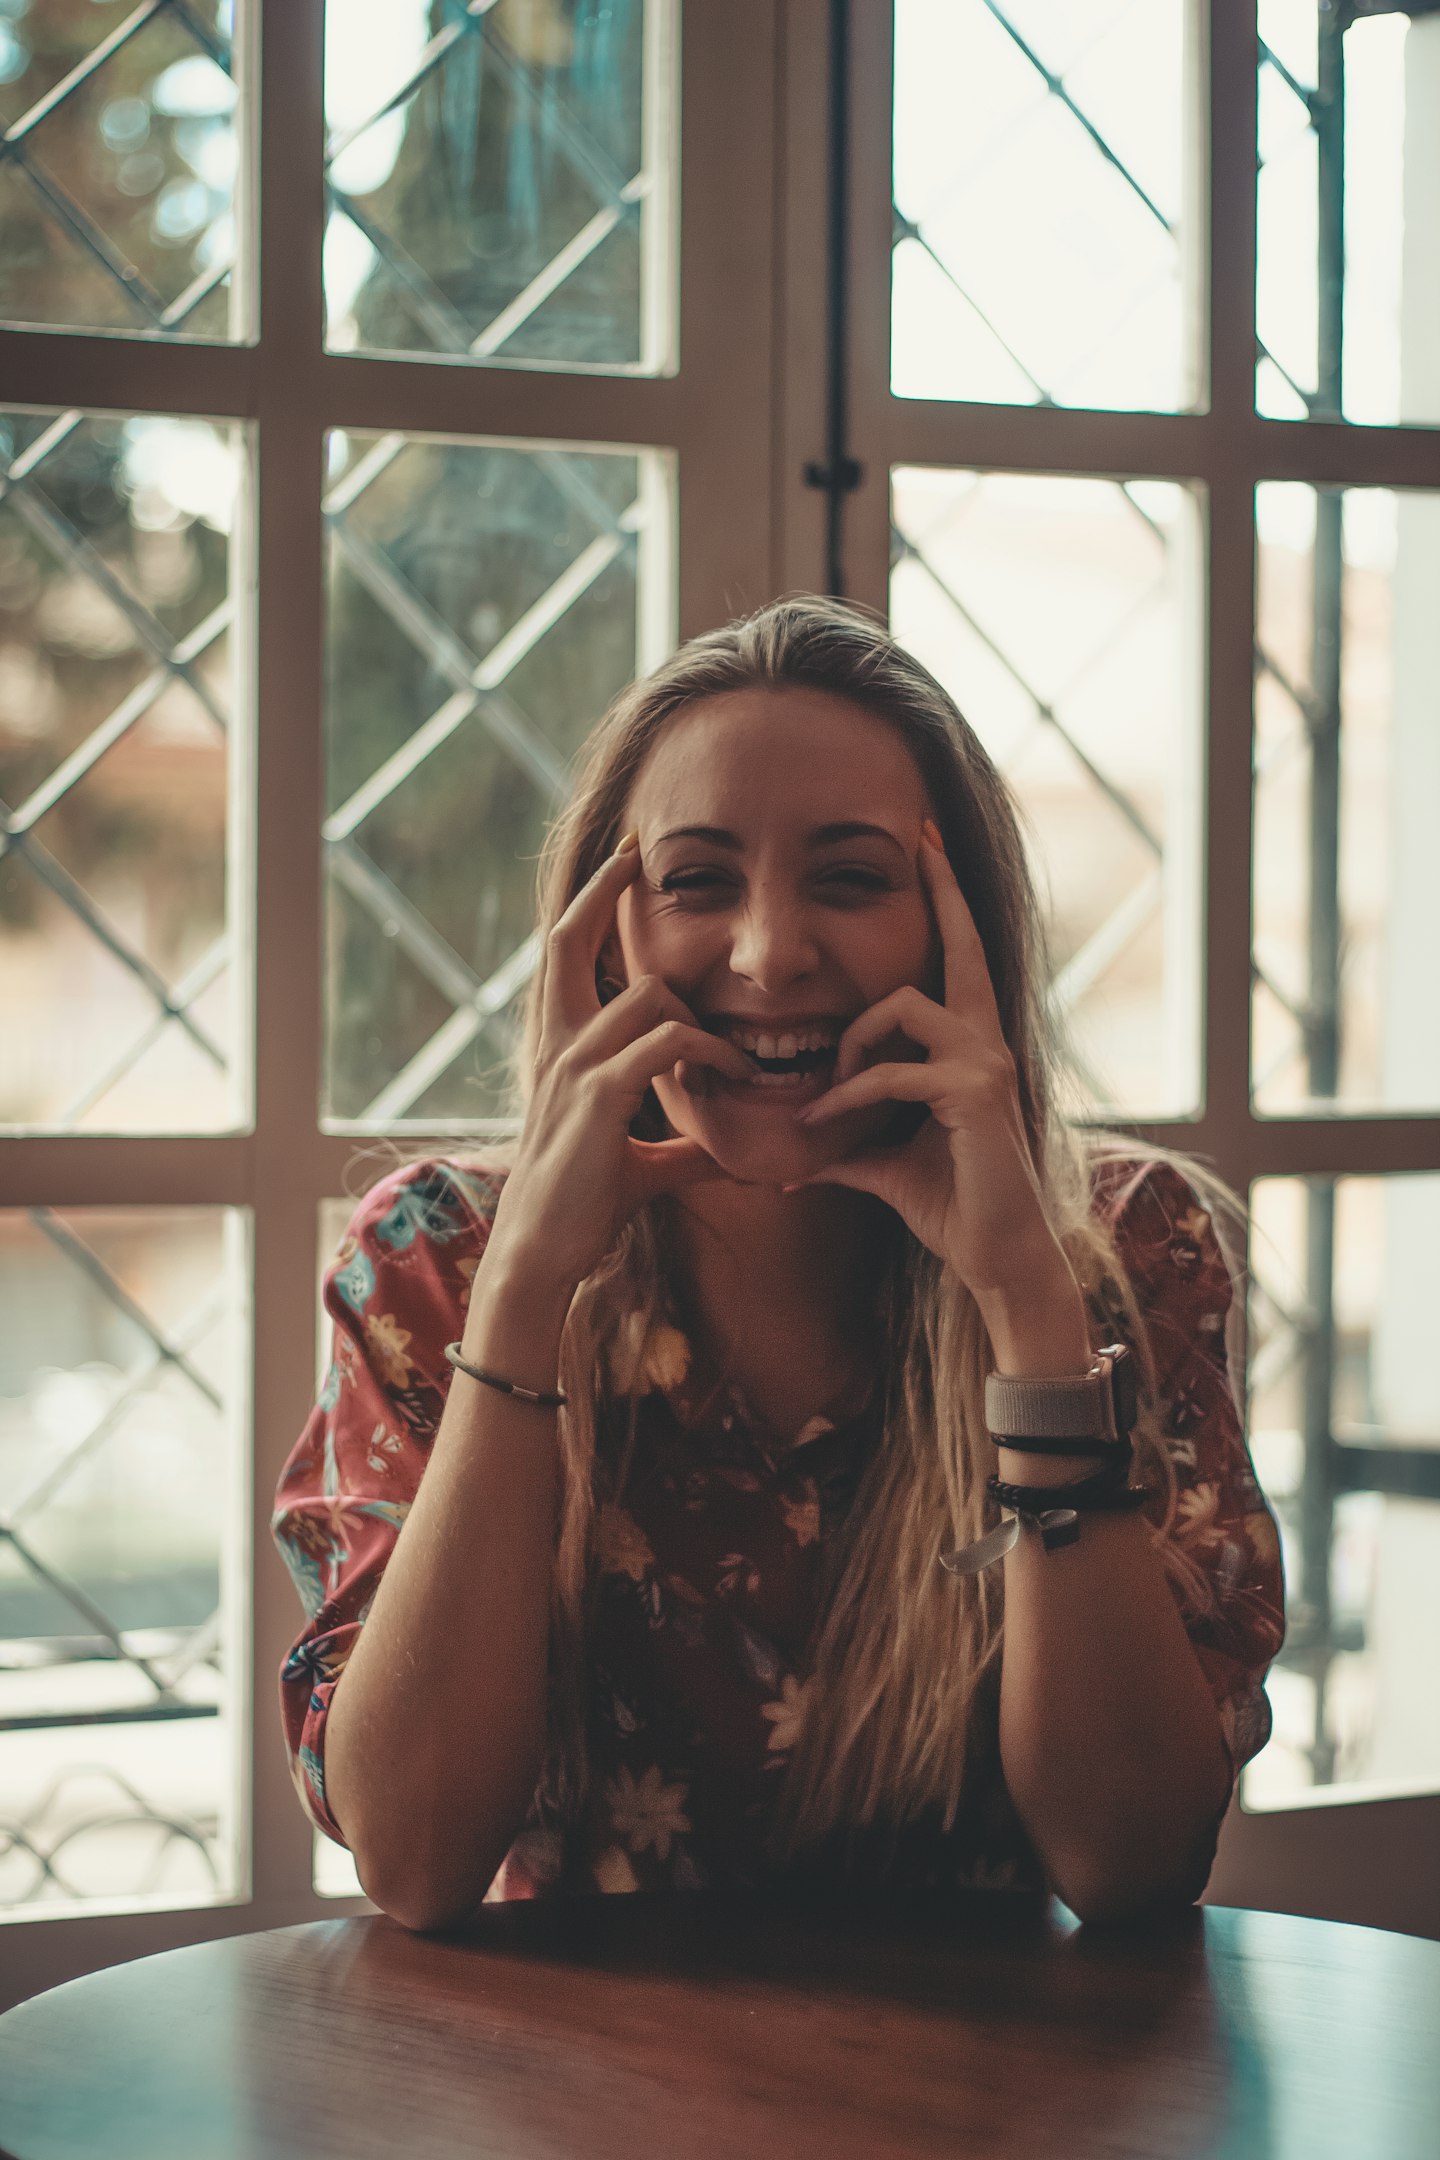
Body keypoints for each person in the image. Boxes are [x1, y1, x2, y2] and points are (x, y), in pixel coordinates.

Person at [273, 595, 1285, 1932]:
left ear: (956, 926)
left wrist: (1027, 1309)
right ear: (604, 936)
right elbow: (410, 1862)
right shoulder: (442, 1256)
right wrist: (523, 1299)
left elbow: (1133, 1861)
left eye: (854, 878)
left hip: (992, 2115)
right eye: (697, 880)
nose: (768, 955)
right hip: (560, 2116)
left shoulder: (1128, 1246)